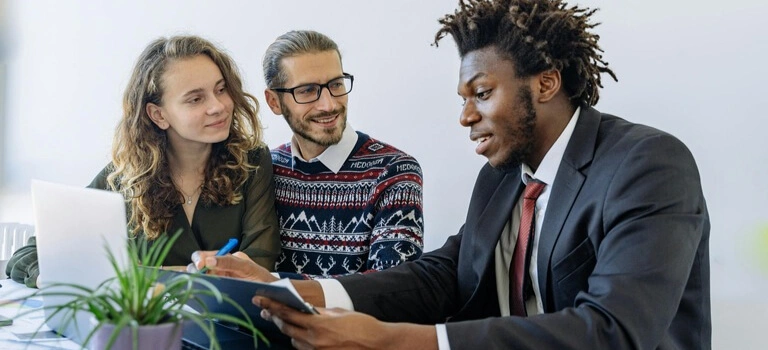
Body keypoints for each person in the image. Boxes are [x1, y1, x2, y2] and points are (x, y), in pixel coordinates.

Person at [196, 1, 711, 349]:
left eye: (481, 94)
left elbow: (614, 331)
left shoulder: (647, 164)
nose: (465, 117)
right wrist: (289, 290)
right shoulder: (504, 177)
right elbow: (442, 274)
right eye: (463, 100)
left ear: (547, 83)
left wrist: (390, 340)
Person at [7, 35, 281, 287]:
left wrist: (141, 276)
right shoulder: (125, 176)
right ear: (158, 115)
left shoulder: (252, 162)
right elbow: (30, 255)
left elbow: (258, 264)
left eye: (221, 90)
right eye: (196, 99)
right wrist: (53, 280)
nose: (218, 106)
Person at [262, 30, 424, 279]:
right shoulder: (265, 169)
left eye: (336, 84)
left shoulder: (394, 172)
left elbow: (388, 291)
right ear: (274, 102)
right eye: (307, 90)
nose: (329, 104)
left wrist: (271, 282)